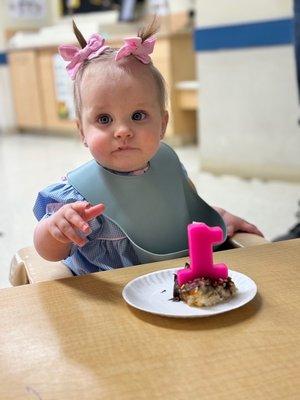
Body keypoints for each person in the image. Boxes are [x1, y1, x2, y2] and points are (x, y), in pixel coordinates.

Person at [33, 20, 263, 275]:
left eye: (138, 116)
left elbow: (179, 212)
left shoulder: (167, 164)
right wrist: (57, 230)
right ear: (82, 132)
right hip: (113, 298)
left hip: (173, 288)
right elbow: (50, 253)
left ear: (163, 124)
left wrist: (219, 218)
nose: (122, 131)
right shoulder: (79, 197)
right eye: (104, 119)